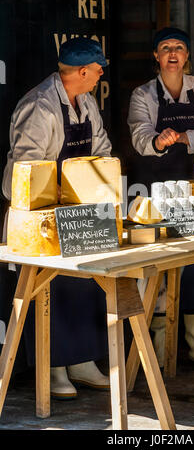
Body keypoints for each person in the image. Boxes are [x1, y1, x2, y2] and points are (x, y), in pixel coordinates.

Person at [2, 37, 113, 398]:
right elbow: (25, 170)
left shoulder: (87, 102)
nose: (99, 76)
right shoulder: (40, 107)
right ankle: (54, 368)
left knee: (85, 286)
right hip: (39, 218)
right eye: (97, 71)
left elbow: (103, 151)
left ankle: (81, 361)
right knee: (50, 291)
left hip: (78, 214)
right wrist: (66, 192)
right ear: (82, 72)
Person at [127, 27, 194, 371]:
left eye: (179, 48)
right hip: (156, 190)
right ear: (156, 56)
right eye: (165, 48)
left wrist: (185, 136)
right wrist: (159, 141)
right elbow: (138, 133)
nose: (172, 53)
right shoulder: (142, 94)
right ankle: (159, 347)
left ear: (187, 55)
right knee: (160, 261)